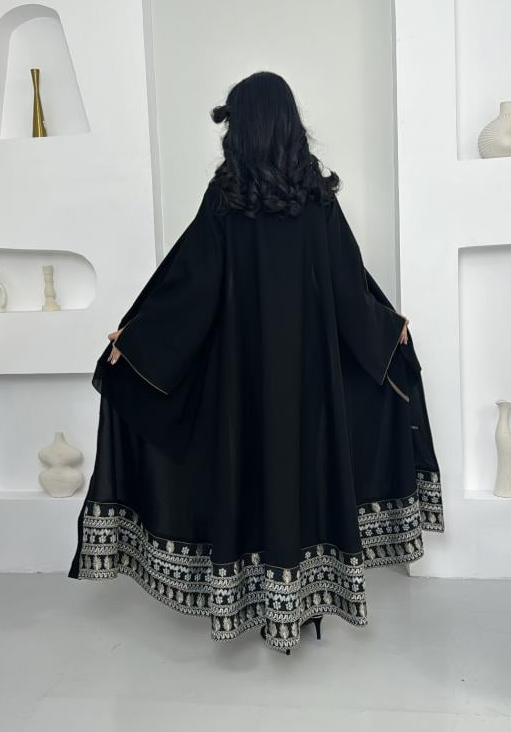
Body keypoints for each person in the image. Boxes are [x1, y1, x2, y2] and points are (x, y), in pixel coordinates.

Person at [68, 70, 444, 655]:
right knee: (303, 479)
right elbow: (349, 292)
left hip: (240, 385)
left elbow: (189, 289)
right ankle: (300, 603)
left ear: (244, 128)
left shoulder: (226, 200)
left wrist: (138, 343)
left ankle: (252, 602)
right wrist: (384, 329)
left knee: (245, 478)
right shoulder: (317, 201)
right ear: (290, 124)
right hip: (310, 389)